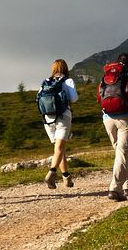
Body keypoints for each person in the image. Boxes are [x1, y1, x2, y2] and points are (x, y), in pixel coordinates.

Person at [98, 52, 128, 201]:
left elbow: (100, 97)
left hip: (107, 118)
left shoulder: (106, 77)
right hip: (126, 117)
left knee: (120, 153)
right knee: (122, 153)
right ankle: (115, 189)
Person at [40, 59, 79, 188]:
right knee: (60, 148)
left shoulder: (46, 81)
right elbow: (74, 98)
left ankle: (66, 177)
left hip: (48, 118)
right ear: (65, 68)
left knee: (58, 148)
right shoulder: (68, 81)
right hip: (63, 116)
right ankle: (51, 174)